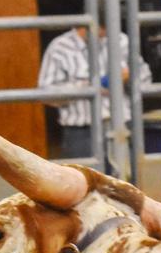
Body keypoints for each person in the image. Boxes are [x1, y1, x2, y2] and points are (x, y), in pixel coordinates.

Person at [38, 16, 152, 159]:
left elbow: (145, 80)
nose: (106, 34)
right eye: (103, 29)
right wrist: (91, 86)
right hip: (81, 133)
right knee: (82, 173)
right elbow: (46, 94)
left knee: (127, 172)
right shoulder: (60, 47)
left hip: (122, 126)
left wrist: (129, 77)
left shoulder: (121, 40)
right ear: (86, 25)